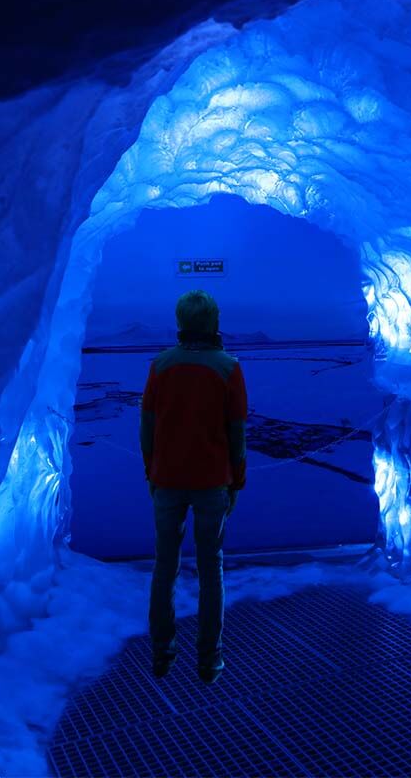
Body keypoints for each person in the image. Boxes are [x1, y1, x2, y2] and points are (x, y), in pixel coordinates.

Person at [140, 289, 247, 684]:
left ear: (181, 322)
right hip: (211, 482)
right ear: (214, 322)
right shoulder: (228, 368)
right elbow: (236, 433)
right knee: (210, 570)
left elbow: (147, 428)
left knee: (164, 567)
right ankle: (210, 660)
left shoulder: (160, 366)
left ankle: (162, 654)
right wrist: (237, 480)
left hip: (167, 480)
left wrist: (151, 472)